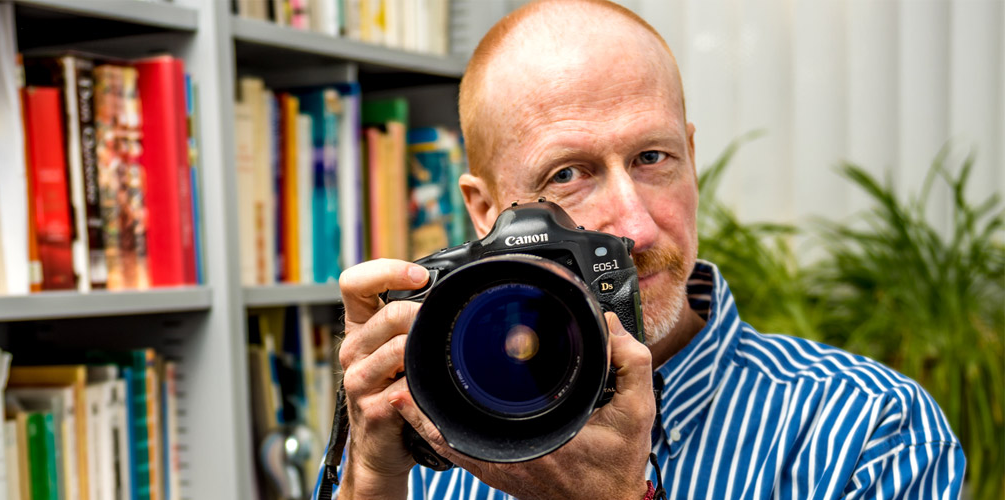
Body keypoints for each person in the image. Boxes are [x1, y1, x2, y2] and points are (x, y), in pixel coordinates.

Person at [324, 0, 965, 498]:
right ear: (486, 210)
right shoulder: (437, 401)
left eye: (653, 157)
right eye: (568, 174)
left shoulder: (865, 431)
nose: (635, 227)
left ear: (691, 154)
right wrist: (371, 481)